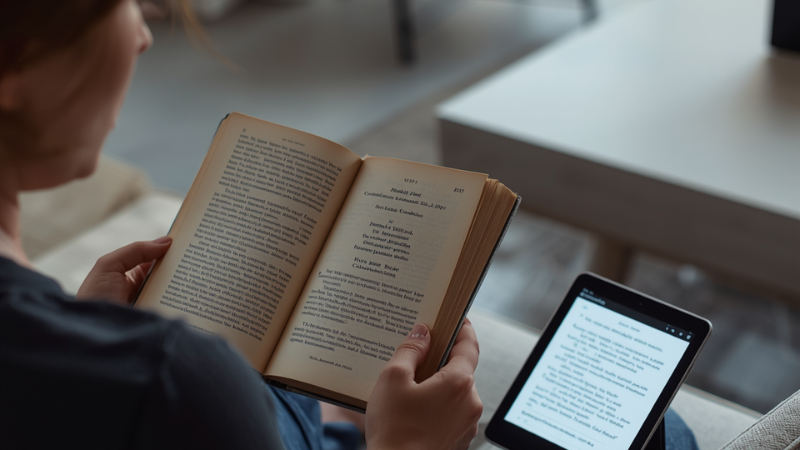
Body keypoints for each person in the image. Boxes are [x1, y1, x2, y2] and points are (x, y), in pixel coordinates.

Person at [0, 1, 696, 449]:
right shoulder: (168, 379)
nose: (146, 36)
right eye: (126, 4)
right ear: (16, 71)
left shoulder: (83, 354)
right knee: (670, 438)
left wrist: (92, 327)